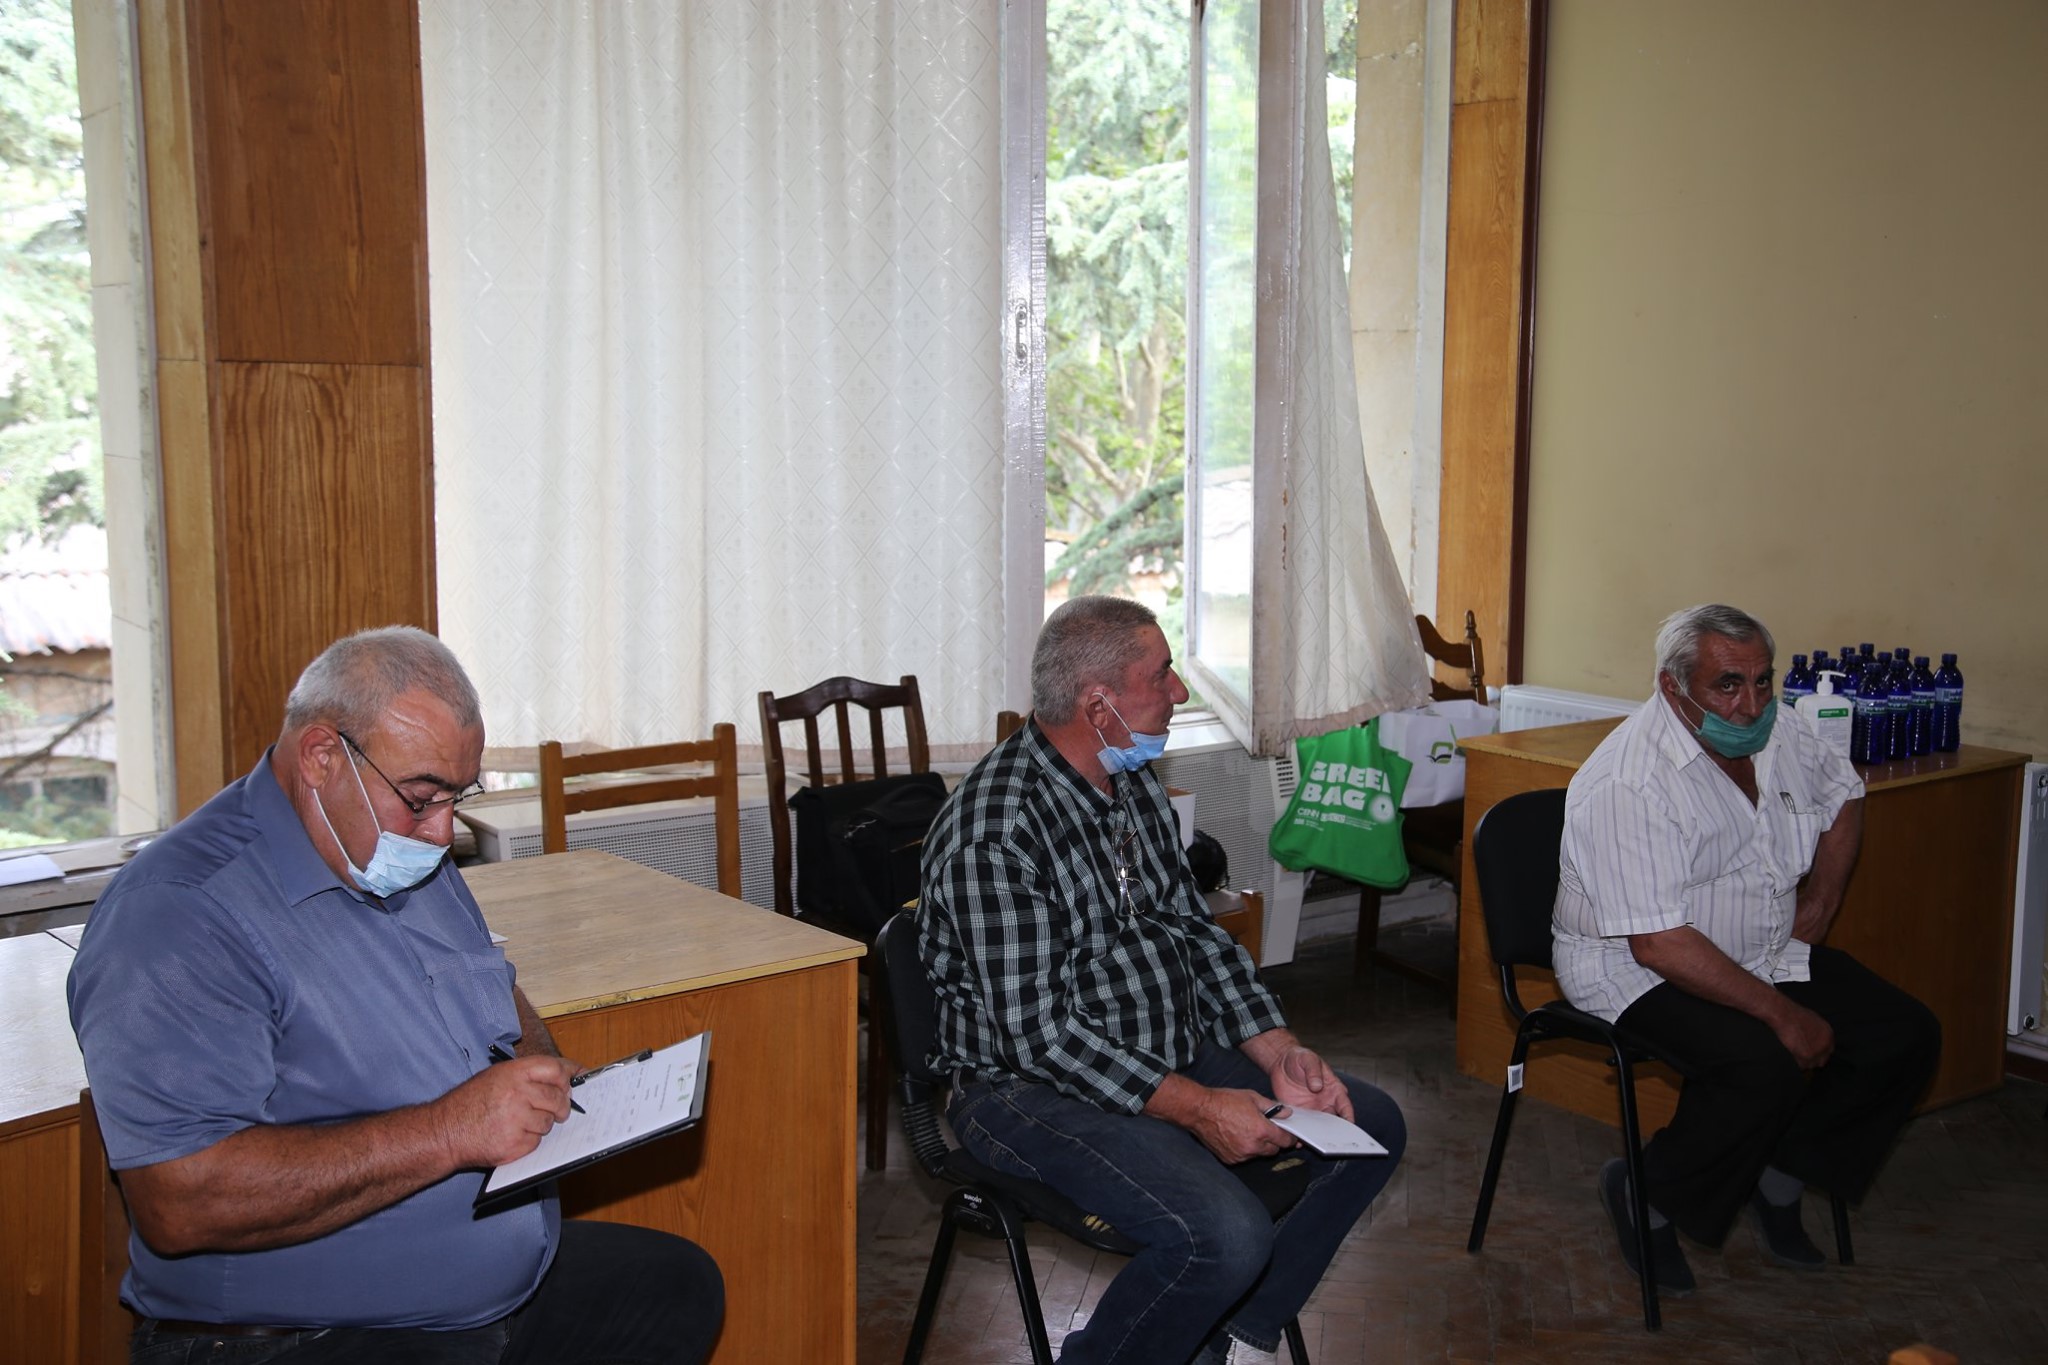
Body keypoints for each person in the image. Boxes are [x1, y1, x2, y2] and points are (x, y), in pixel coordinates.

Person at [69, 626, 724, 1364]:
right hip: (298, 1335)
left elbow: (493, 985)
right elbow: (179, 1201)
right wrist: (449, 1131)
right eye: (421, 797)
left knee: (677, 1287)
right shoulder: (178, 912)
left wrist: (545, 1075)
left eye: (457, 797)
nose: (442, 833)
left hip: (488, 1288)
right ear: (322, 757)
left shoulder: (393, 851)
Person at [915, 596, 1407, 1365]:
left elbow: (1189, 928)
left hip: (1158, 1049)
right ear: (1098, 705)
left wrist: (1277, 1048)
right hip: (1023, 1090)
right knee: (1223, 1233)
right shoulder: (995, 832)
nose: (1179, 691)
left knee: (1368, 1125)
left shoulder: (1128, 782)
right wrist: (1202, 1107)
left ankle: (1229, 1338)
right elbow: (1041, 1036)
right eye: (1163, 674)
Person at [1552, 604, 1940, 1295]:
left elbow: (1845, 793)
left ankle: (1777, 1173)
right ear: (1672, 687)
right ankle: (1647, 1193)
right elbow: (1659, 942)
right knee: (1764, 1064)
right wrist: (1783, 1014)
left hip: (1760, 941)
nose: (1752, 704)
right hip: (1631, 967)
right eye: (1728, 685)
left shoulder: (1776, 728)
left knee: (1903, 1033)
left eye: (1764, 680)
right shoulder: (1627, 780)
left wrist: (1821, 901)